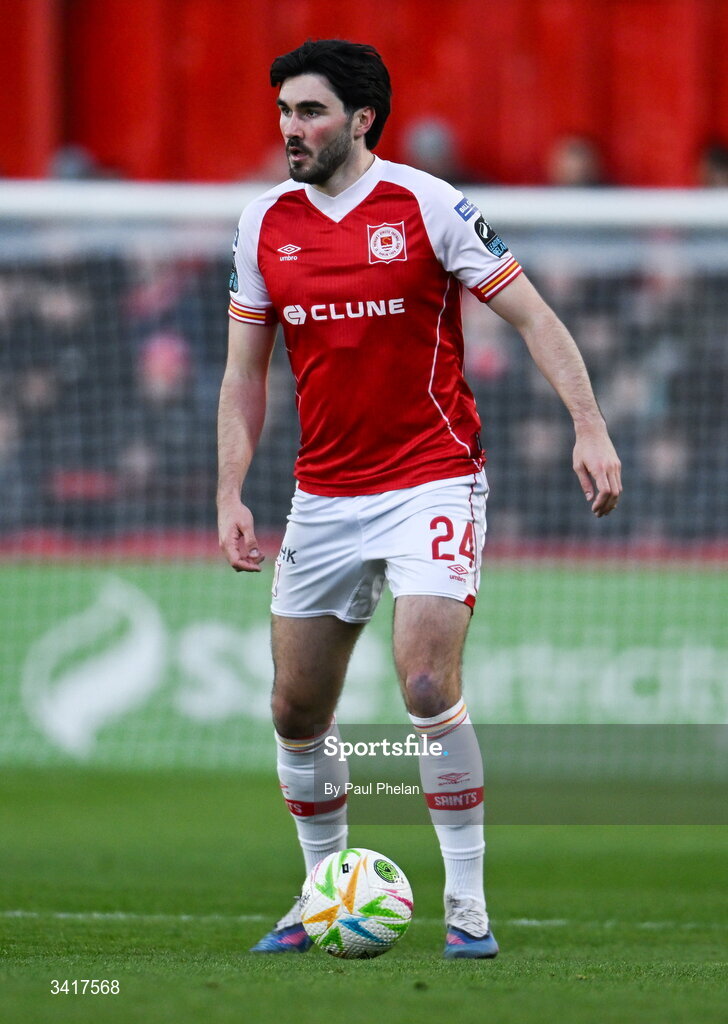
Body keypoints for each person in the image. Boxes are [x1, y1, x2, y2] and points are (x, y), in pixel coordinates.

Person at [217, 39, 622, 960]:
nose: (291, 128)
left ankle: (467, 907)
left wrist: (589, 424)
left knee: (428, 682)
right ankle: (321, 889)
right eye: (284, 110)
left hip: (431, 475)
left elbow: (535, 317)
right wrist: (230, 490)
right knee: (293, 712)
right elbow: (245, 373)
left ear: (362, 119)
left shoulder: (426, 204)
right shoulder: (263, 224)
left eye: (311, 111)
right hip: (322, 494)